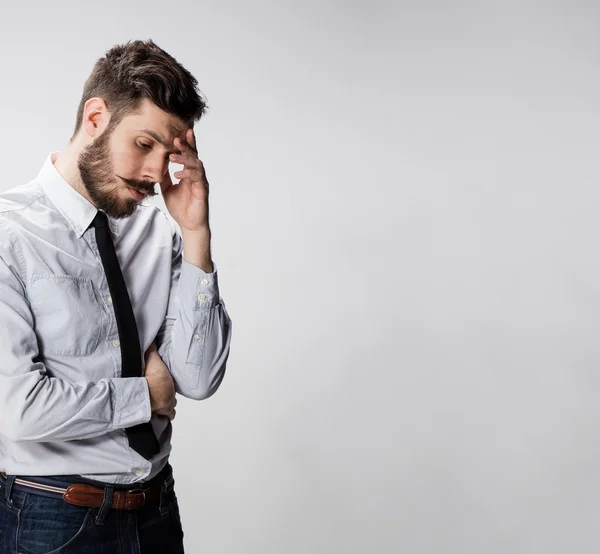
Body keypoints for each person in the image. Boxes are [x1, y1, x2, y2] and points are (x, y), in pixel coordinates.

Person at [0, 39, 233, 553]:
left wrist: (196, 233)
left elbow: (197, 378)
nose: (155, 173)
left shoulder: (158, 232)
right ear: (97, 116)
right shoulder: (9, 237)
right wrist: (145, 396)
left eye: (169, 153)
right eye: (144, 144)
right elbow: (17, 410)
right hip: (52, 519)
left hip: (156, 511)